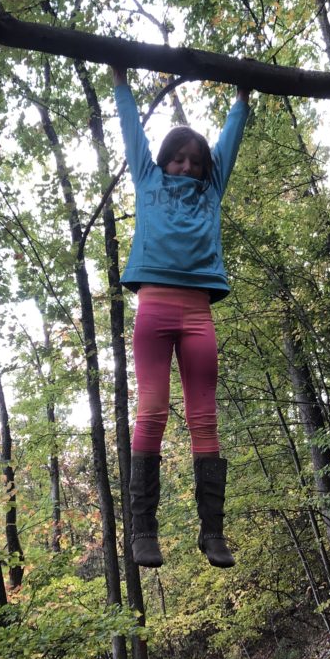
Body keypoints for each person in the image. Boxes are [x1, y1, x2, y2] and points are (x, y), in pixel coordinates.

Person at [111, 66, 250, 569]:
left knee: (203, 418)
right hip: (153, 307)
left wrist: (241, 97)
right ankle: (143, 529)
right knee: (150, 411)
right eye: (179, 159)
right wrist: (121, 82)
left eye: (195, 161)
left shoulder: (211, 192)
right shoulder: (148, 180)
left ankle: (212, 532)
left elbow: (228, 145)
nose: (187, 167)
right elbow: (131, 135)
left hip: (197, 314)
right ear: (164, 161)